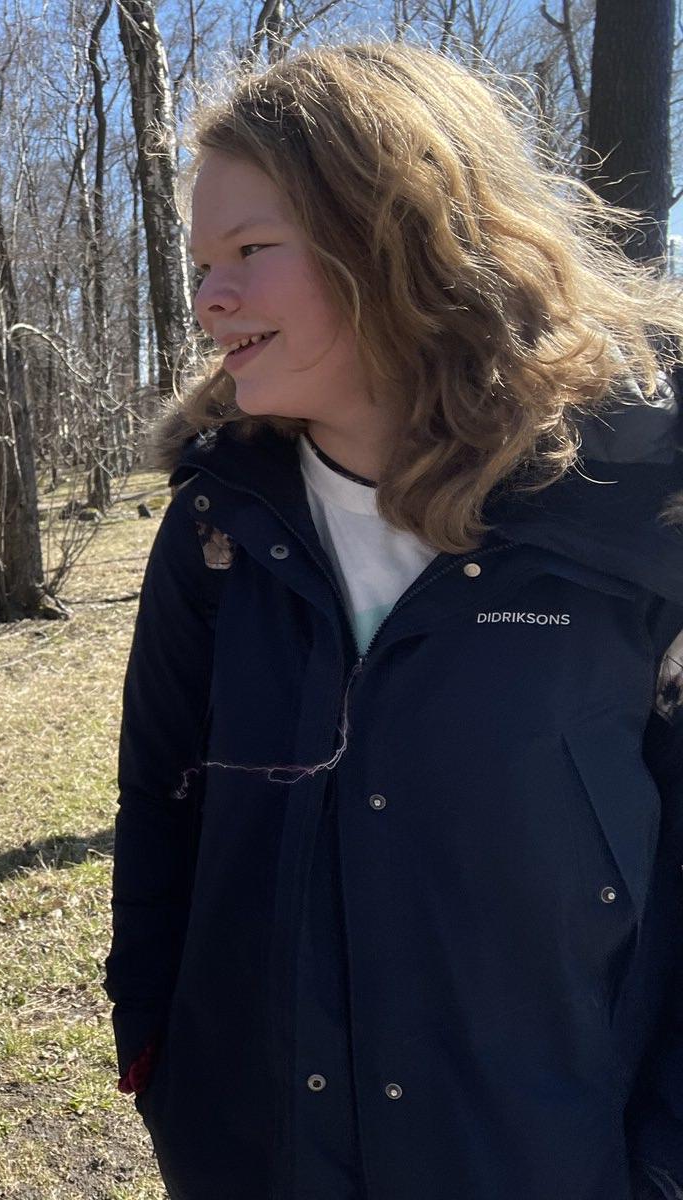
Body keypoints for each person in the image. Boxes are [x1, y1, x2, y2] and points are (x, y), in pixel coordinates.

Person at [107, 42, 683, 1200]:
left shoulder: (640, 503)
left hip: (541, 1155)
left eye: (250, 251)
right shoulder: (217, 524)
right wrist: (157, 1053)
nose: (209, 299)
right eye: (203, 263)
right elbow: (159, 803)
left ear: (395, 235)